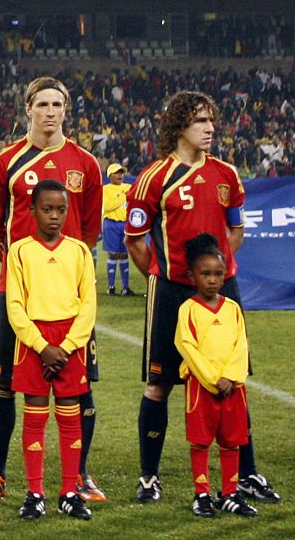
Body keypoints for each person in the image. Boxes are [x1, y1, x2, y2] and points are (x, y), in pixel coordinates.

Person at [125, 90, 279, 504]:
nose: (210, 128)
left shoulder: (226, 173)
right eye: (199, 121)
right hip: (172, 292)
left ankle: (247, 474)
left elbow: (236, 231)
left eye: (211, 120)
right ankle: (149, 476)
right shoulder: (154, 177)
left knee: (234, 381)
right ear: (179, 127)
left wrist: (215, 273)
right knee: (160, 383)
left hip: (222, 291)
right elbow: (136, 240)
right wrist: (166, 276)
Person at [0, 77, 106, 505]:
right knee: (4, 385)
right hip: (19, 298)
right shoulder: (4, 162)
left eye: (58, 104)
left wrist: (68, 274)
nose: (50, 111)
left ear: (66, 109)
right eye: (42, 104)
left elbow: (89, 230)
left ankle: (80, 475)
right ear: (27, 108)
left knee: (79, 387)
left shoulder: (85, 164)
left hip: (69, 301)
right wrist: (18, 273)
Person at [4, 179, 97, 521]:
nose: (54, 216)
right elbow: (14, 306)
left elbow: (88, 305)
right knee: (35, 413)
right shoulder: (20, 251)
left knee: (70, 414)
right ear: (32, 211)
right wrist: (43, 347)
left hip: (70, 340)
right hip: (34, 340)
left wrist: (68, 346)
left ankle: (70, 492)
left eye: (60, 209)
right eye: (47, 209)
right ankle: (35, 493)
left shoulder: (79, 251)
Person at [175, 233, 257, 518]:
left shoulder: (233, 308)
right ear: (192, 277)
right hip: (202, 387)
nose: (212, 279)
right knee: (200, 441)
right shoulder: (188, 309)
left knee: (231, 440)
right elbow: (187, 346)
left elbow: (241, 345)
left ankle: (231, 493)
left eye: (218, 274)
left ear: (225, 276)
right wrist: (212, 379)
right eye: (205, 274)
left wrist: (231, 377)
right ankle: (202, 494)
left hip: (232, 388)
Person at [101, 164, 132, 296]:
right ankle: (111, 286)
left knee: (124, 254)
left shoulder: (129, 187)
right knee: (113, 254)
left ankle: (125, 287)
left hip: (125, 224)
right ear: (110, 175)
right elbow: (107, 206)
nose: (120, 175)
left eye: (121, 173)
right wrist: (122, 196)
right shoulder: (105, 189)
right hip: (111, 224)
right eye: (116, 173)